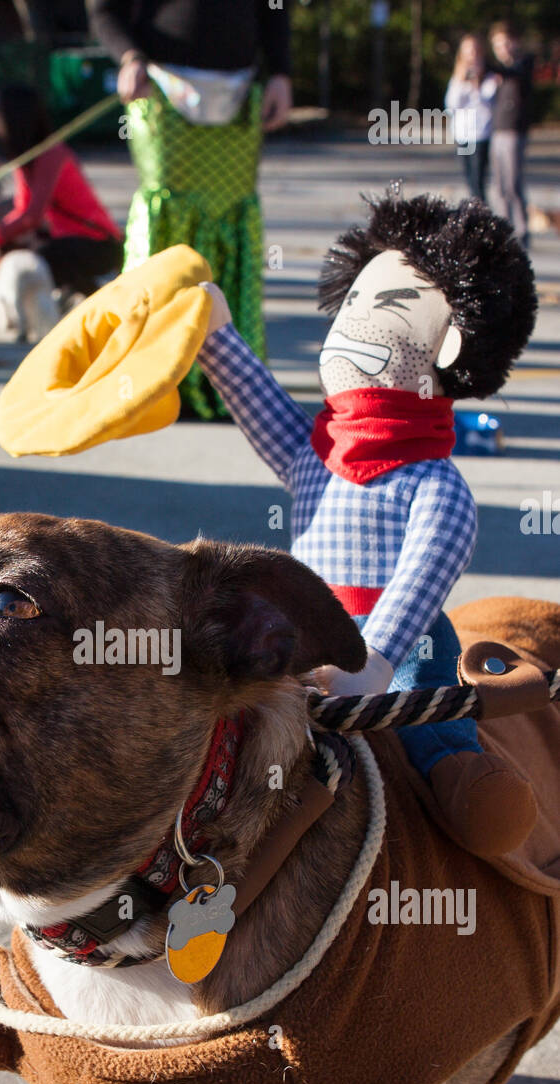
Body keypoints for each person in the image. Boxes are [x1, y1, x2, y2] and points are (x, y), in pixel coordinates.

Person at [195, 193, 538, 855]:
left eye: (379, 312)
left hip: (398, 641)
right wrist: (216, 340)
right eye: (352, 305)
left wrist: (371, 658)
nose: (349, 330)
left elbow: (422, 579)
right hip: (303, 626)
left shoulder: (434, 483)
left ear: (450, 343)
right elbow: (258, 403)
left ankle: (466, 781)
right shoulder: (319, 452)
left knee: (425, 710)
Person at [88, 0, 292, 419]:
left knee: (230, 213)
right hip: (160, 86)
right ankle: (151, 379)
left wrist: (282, 73)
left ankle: (230, 383)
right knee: (168, 219)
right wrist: (129, 57)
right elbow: (104, 9)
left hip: (239, 91)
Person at [0, 85, 123, 303]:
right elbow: (24, 211)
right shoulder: (26, 157)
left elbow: (32, 215)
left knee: (39, 262)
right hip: (70, 241)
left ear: (15, 116)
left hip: (99, 244)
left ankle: (98, 302)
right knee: (25, 257)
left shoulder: (50, 153)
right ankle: (78, 300)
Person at [488, 19, 534, 247]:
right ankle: (505, 230)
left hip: (514, 132)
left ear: (514, 42)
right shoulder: (499, 74)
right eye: (497, 45)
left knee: (514, 185)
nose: (502, 49)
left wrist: (488, 67)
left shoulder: (523, 63)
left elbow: (514, 73)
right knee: (499, 187)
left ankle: (522, 232)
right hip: (497, 130)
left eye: (505, 43)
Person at [444, 34, 498, 201]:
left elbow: (489, 100)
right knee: (468, 178)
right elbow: (451, 104)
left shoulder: (489, 75)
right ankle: (475, 212)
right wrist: (462, 81)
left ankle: (482, 216)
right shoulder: (458, 76)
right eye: (468, 51)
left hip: (481, 133)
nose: (472, 54)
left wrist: (476, 83)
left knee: (478, 181)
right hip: (462, 134)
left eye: (475, 50)